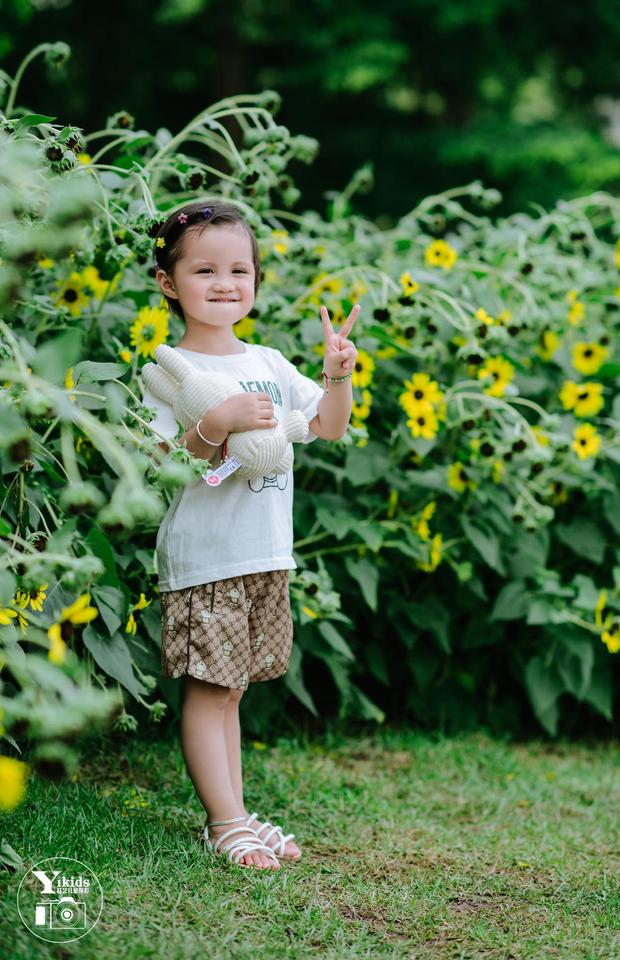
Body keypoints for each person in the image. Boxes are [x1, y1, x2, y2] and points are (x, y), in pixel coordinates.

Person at [140, 199, 359, 870]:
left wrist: (337, 374)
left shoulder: (266, 358)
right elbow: (170, 468)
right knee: (209, 689)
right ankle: (225, 820)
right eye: (204, 269)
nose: (226, 282)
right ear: (169, 283)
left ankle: (231, 811)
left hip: (264, 552)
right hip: (207, 557)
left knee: (232, 689)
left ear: (256, 280)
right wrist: (219, 421)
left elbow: (326, 426)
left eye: (240, 269)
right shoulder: (167, 371)